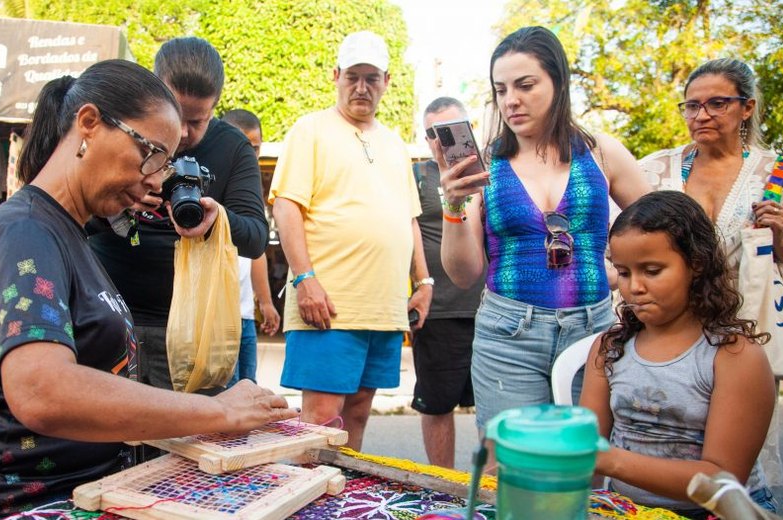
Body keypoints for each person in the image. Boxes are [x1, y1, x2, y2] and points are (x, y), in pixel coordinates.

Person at [0, 60, 296, 517]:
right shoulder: (25, 232)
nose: (156, 179)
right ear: (89, 123)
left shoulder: (67, 231)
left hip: (79, 491)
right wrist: (217, 412)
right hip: (21, 503)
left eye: (166, 164)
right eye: (152, 154)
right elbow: (41, 389)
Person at [440, 26, 650, 430]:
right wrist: (453, 204)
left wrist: (621, 275)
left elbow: (661, 232)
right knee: (514, 470)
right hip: (508, 335)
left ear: (558, 81)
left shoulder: (601, 151)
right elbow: (464, 274)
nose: (511, 100)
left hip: (594, 332)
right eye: (500, 90)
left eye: (525, 85)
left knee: (583, 467)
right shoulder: (485, 165)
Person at [269, 30, 428, 451]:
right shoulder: (310, 130)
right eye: (353, 76)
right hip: (328, 305)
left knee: (358, 414)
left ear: (386, 81)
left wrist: (424, 282)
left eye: (371, 78)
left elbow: (409, 219)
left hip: (384, 309)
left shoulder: (395, 144)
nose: (361, 87)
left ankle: (342, 507)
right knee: (321, 423)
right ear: (336, 76)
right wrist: (304, 280)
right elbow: (286, 207)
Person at [580, 190, 777, 518]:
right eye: (624, 273)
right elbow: (585, 447)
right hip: (627, 509)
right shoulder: (610, 348)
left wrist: (609, 459)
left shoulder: (733, 355)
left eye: (652, 270)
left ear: (696, 264)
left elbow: (722, 480)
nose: (635, 287)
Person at [88, 37, 268, 392]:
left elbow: (256, 237)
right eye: (174, 114)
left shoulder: (232, 148)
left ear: (216, 106)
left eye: (197, 121)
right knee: (109, 444)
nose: (183, 133)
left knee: (195, 446)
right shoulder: (119, 130)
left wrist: (217, 218)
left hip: (196, 335)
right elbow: (72, 213)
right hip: (110, 320)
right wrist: (117, 203)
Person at [639, 58, 783, 487]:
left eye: (717, 103)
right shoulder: (656, 170)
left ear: (746, 108)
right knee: (661, 441)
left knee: (731, 461)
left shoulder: (777, 175)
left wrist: (781, 237)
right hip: (667, 334)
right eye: (692, 106)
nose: (701, 115)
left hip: (741, 333)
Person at [411, 97, 484, 468]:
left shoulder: (497, 172)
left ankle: (491, 493)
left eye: (453, 130)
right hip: (439, 311)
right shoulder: (418, 176)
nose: (443, 140)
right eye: (434, 133)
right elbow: (405, 233)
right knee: (437, 404)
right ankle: (444, 492)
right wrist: (419, 285)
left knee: (496, 409)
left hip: (496, 310)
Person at [221, 108, 281, 385]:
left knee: (249, 391)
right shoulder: (213, 177)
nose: (248, 154)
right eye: (242, 145)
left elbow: (255, 249)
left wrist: (265, 302)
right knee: (224, 397)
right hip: (217, 316)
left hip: (244, 314)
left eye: (254, 148)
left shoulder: (251, 183)